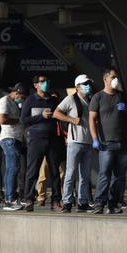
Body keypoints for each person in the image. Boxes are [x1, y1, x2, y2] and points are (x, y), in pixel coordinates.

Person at [89, 67, 127, 215]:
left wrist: (125, 109)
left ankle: (113, 204)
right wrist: (95, 139)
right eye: (113, 77)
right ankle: (99, 204)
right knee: (104, 174)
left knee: (119, 176)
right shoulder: (98, 97)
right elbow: (92, 119)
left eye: (117, 77)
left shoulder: (122, 96)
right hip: (107, 143)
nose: (116, 80)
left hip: (124, 142)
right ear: (105, 79)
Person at [20, 75, 63, 212]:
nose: (45, 84)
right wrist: (41, 116)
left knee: (55, 171)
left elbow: (60, 116)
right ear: (36, 85)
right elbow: (24, 119)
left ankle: (56, 201)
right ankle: (28, 199)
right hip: (36, 140)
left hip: (53, 140)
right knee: (32, 170)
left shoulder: (54, 100)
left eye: (47, 81)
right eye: (42, 82)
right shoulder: (30, 100)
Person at [53, 75, 95, 213]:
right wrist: (71, 119)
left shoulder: (91, 100)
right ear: (77, 86)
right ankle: (67, 202)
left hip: (88, 142)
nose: (88, 85)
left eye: (89, 83)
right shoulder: (70, 99)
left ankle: (83, 202)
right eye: (85, 83)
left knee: (85, 175)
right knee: (70, 173)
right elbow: (56, 113)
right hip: (75, 142)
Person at [0, 83, 26, 211]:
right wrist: (19, 120)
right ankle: (9, 200)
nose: (21, 98)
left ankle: (11, 198)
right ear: (16, 92)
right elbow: (2, 120)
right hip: (9, 138)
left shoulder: (13, 103)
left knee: (14, 168)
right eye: (21, 96)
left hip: (16, 139)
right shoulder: (4, 101)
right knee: (13, 168)